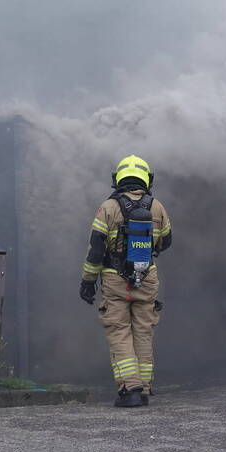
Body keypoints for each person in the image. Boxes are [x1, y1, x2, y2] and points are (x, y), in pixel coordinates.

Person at [79, 155, 172, 407]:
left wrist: (88, 281)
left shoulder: (107, 208)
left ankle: (129, 389)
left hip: (115, 279)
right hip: (147, 278)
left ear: (117, 178)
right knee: (143, 332)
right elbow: (166, 241)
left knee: (119, 331)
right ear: (147, 178)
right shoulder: (157, 207)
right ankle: (144, 389)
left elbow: (96, 249)